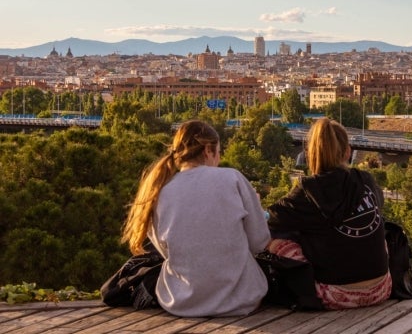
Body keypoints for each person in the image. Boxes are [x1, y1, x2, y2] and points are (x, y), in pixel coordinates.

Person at [121, 120, 270, 317]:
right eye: (218, 152)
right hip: (242, 299)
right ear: (208, 150)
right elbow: (259, 242)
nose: (219, 158)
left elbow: (169, 251)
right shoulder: (232, 179)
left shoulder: (159, 193)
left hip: (180, 301)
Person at [266, 118, 391, 309]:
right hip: (382, 288)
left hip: (335, 295)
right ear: (348, 151)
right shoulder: (365, 180)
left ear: (311, 155)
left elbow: (270, 220)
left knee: (276, 239)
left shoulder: (307, 191)